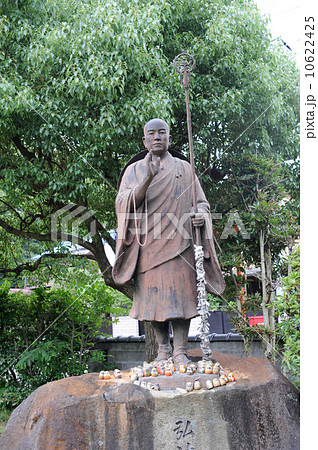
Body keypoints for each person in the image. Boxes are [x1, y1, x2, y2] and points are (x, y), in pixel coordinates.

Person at [112, 118, 225, 365]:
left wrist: (200, 215)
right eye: (151, 134)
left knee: (182, 300)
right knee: (151, 303)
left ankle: (180, 351)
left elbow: (202, 203)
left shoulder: (185, 169)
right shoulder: (133, 171)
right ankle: (163, 349)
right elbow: (123, 204)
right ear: (144, 140)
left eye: (162, 133)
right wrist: (147, 179)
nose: (157, 137)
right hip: (147, 246)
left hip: (180, 243)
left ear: (169, 138)